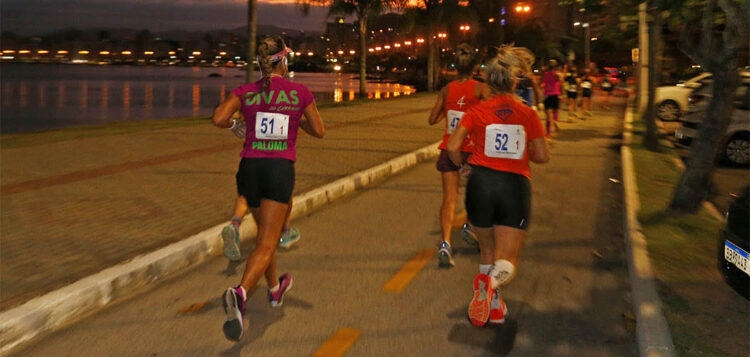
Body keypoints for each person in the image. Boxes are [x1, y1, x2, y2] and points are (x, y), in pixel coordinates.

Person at [212, 35, 325, 341]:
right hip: (278, 171)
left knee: (267, 238)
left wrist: (238, 126)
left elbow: (219, 117)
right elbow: (319, 130)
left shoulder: (247, 91)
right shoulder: (298, 92)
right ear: (283, 60)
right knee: (266, 243)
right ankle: (241, 293)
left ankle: (275, 290)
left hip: (249, 170)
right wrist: (294, 117)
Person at [446, 45, 550, 327]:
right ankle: (489, 284)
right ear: (515, 81)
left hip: (480, 184)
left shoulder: (476, 111)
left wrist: (463, 167)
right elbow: (542, 156)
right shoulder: (527, 114)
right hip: (513, 186)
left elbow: (453, 147)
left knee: (487, 250)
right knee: (507, 258)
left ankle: (492, 304)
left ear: (490, 81)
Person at [427, 43, 491, 268]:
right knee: (476, 195)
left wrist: (450, 108)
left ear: (455, 66)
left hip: (448, 149)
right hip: (473, 151)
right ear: (475, 67)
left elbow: (432, 119)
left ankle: (445, 243)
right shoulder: (481, 89)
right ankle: (469, 226)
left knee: (449, 198)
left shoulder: (446, 90)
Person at [540, 60, 562, 137]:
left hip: (547, 95)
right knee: (555, 112)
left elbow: (540, 83)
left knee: (548, 116)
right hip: (556, 95)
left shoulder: (545, 74)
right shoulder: (557, 75)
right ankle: (555, 122)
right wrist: (562, 94)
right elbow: (561, 84)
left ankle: (548, 133)